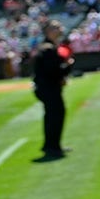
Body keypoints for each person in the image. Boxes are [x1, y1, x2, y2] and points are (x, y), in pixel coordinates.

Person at [31, 20, 71, 162]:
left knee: (53, 115)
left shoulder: (49, 47)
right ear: (48, 31)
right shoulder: (48, 48)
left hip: (48, 87)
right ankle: (52, 147)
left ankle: (53, 145)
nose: (59, 29)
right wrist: (67, 67)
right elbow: (53, 71)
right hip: (48, 88)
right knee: (55, 116)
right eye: (55, 27)